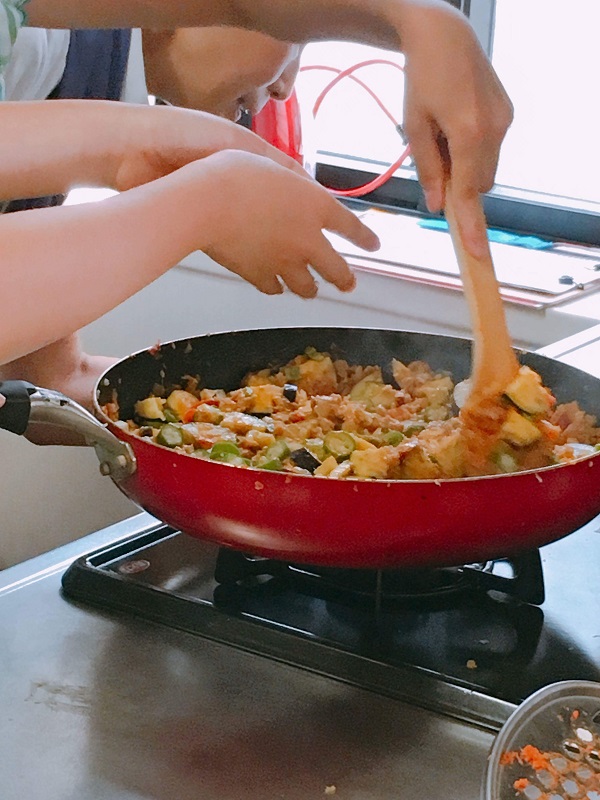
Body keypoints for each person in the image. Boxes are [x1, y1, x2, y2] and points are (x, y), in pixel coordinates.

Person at [5, 0, 514, 250]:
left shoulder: (94, 88)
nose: (285, 89)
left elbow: (59, 372)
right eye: (297, 38)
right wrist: (420, 21)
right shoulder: (33, 45)